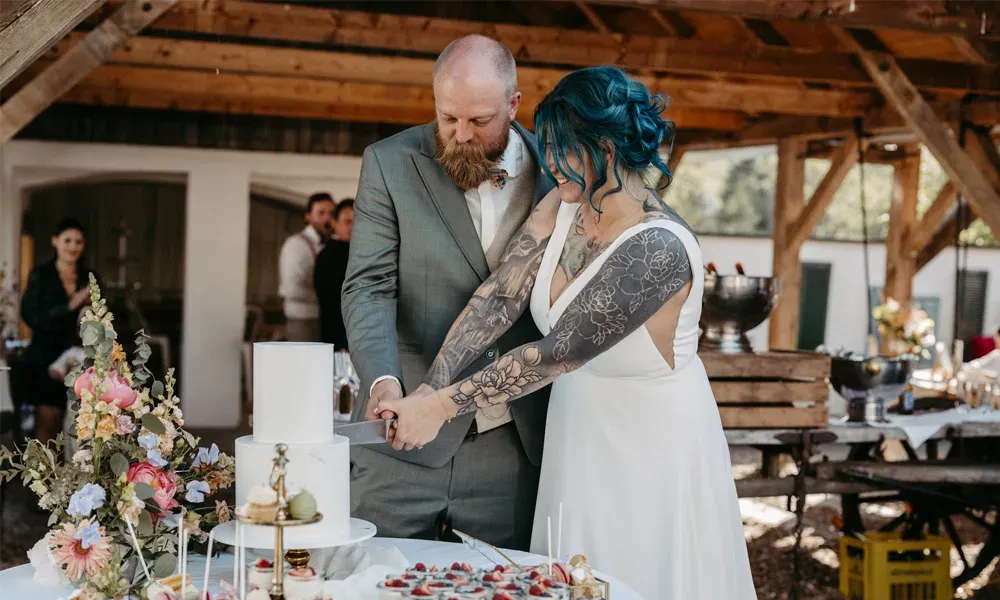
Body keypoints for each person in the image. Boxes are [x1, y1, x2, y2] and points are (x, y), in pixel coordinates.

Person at [379, 66, 757, 599]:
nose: (549, 161)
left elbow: (555, 354)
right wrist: (429, 385)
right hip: (576, 432)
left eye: (562, 148)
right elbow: (499, 297)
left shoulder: (658, 248)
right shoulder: (564, 203)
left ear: (606, 147)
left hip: (650, 450)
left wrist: (441, 408)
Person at [342, 35, 553, 549]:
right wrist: (383, 382)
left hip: (514, 444)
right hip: (401, 441)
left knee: (504, 583)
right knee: (371, 577)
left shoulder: (559, 171)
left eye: (479, 121)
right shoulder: (389, 162)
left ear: (513, 105)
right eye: (447, 117)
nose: (460, 135)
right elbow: (369, 285)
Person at [21, 219, 102, 445]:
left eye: (78, 242)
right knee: (48, 423)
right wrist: (71, 304)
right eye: (67, 240)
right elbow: (31, 316)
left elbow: (100, 319)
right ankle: (45, 469)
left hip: (79, 359)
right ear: (55, 241)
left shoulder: (90, 277)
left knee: (80, 428)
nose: (73, 247)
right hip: (45, 358)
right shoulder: (41, 274)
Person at [279, 192, 334, 342]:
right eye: (321, 213)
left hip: (324, 320)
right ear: (308, 217)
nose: (327, 218)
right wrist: (327, 297)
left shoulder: (330, 244)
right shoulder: (296, 244)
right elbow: (291, 289)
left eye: (331, 213)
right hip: (302, 319)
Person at [314, 199, 354, 350]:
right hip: (338, 334)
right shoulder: (328, 255)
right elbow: (330, 300)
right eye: (347, 222)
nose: (353, 227)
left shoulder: (356, 251)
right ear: (334, 223)